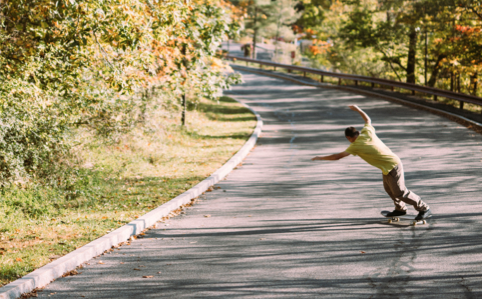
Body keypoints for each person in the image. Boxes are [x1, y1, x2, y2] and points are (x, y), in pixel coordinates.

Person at [311, 105, 432, 221]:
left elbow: (337, 156)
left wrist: (320, 158)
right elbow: (367, 119)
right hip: (388, 166)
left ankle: (424, 208)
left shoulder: (355, 146)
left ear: (349, 138)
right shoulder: (367, 132)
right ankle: (400, 209)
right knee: (389, 189)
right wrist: (357, 109)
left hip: (393, 165)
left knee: (399, 192)